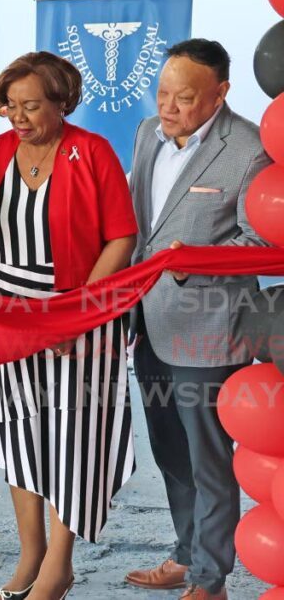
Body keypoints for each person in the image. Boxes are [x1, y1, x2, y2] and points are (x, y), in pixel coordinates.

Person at [0, 51, 138, 600]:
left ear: (62, 102)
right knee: (19, 431)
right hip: (8, 315)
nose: (18, 117)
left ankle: (58, 566)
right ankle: (30, 552)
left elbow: (122, 237)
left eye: (32, 106)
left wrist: (78, 314)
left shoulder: (94, 151)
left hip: (78, 315)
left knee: (73, 438)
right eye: (11, 105)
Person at [125, 39, 272, 600]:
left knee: (208, 458)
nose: (167, 107)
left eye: (183, 98)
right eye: (162, 92)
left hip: (210, 330)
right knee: (169, 451)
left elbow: (259, 240)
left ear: (220, 94)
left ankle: (211, 580)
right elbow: (141, 227)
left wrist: (197, 263)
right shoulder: (145, 134)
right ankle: (187, 555)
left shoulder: (251, 149)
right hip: (149, 324)